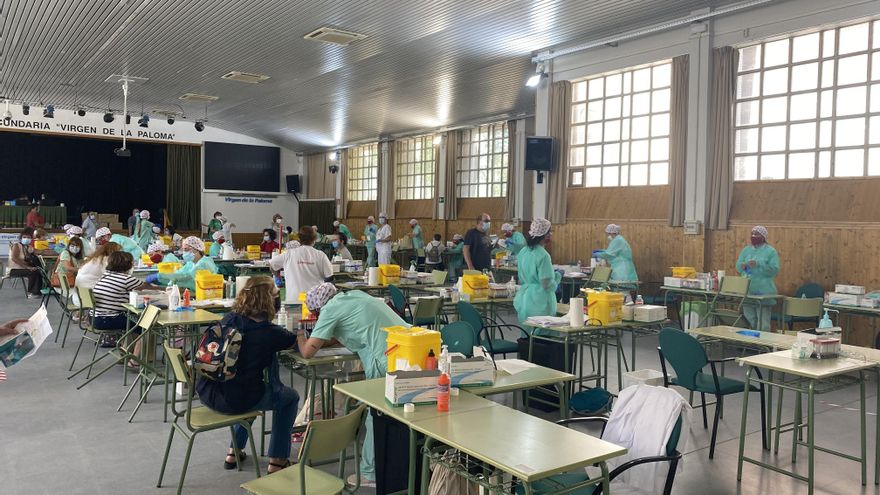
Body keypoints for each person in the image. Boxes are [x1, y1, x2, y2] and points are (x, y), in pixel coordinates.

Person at [298, 282, 409, 487]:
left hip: (384, 356)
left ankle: (371, 473)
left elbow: (307, 352)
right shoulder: (355, 296)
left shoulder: (329, 310)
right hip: (407, 348)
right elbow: (347, 331)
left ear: (317, 309)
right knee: (403, 412)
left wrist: (298, 336)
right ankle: (401, 465)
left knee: (376, 414)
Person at [196, 276, 299, 474]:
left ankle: (234, 451)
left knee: (249, 388)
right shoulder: (270, 332)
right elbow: (298, 343)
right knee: (288, 398)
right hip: (236, 400)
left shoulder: (229, 319)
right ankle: (278, 460)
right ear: (268, 300)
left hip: (208, 391)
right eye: (276, 294)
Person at [514, 219, 561, 336]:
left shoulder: (524, 251)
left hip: (525, 298)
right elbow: (546, 283)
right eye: (549, 232)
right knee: (543, 336)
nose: (551, 235)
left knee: (527, 335)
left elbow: (522, 276)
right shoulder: (543, 255)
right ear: (544, 235)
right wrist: (556, 278)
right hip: (540, 299)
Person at [269, 226, 332, 304]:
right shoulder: (321, 255)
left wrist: (277, 276)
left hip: (293, 299)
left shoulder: (289, 254)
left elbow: (272, 264)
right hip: (314, 301)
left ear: (299, 238)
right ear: (314, 239)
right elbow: (329, 276)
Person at [735, 226, 780, 332]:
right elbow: (738, 267)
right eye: (752, 234)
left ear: (763, 237)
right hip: (748, 291)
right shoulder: (746, 250)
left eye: (757, 234)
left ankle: (763, 342)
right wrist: (742, 266)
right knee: (749, 321)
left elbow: (774, 270)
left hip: (764, 291)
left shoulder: (770, 251)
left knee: (763, 323)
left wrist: (759, 264)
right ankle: (750, 342)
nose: (753, 236)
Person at [146, 236, 218, 292]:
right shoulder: (191, 263)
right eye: (183, 250)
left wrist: (161, 277)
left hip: (205, 294)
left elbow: (186, 277)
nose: (184, 253)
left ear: (197, 249)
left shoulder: (204, 263)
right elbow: (179, 274)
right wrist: (164, 280)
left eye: (186, 249)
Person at [7, 227, 42, 298]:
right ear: (21, 238)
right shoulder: (16, 245)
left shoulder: (28, 247)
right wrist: (28, 267)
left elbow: (39, 252)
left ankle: (39, 290)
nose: (26, 239)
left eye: (28, 237)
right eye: (24, 237)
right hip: (14, 269)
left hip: (23, 268)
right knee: (33, 272)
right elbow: (14, 258)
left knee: (39, 270)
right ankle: (32, 293)